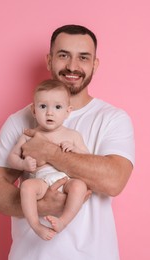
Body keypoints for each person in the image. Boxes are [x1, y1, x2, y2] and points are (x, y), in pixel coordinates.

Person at [0, 24, 135, 260]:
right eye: (63, 55)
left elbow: (114, 181)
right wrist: (44, 205)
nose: (72, 66)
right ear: (49, 60)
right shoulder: (19, 121)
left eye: (83, 58)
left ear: (95, 65)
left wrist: (51, 153)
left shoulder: (112, 119)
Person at [7, 79, 89, 241]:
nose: (49, 113)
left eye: (57, 107)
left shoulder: (72, 135)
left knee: (80, 186)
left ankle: (63, 221)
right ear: (34, 110)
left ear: (68, 111)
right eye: (43, 106)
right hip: (42, 182)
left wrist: (76, 150)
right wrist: (23, 163)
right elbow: (11, 158)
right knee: (27, 187)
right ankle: (36, 225)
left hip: (65, 180)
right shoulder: (28, 135)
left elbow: (87, 158)